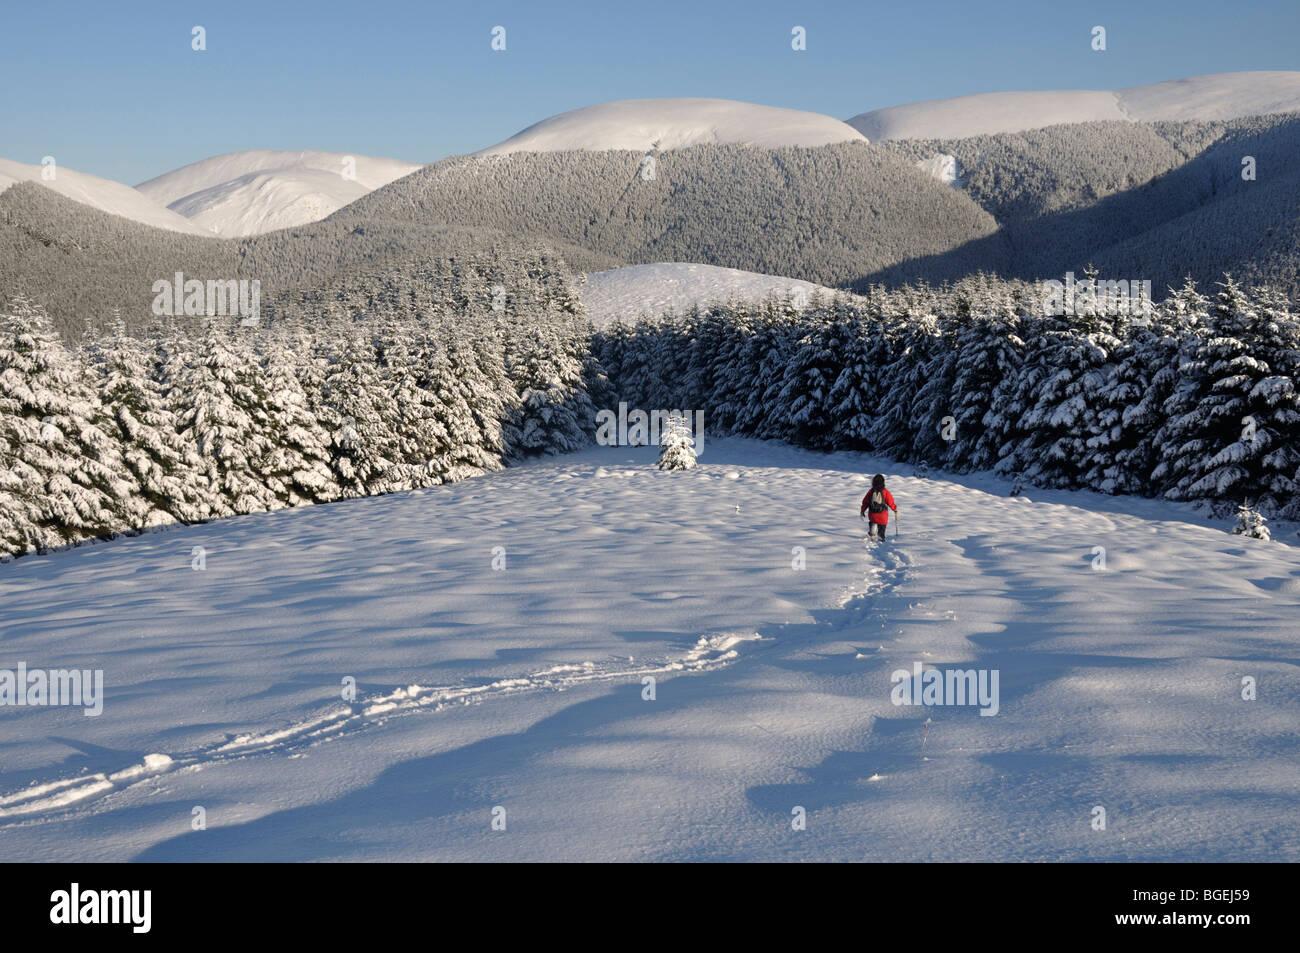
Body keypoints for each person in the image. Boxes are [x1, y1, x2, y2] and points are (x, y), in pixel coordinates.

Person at [860, 473, 897, 541]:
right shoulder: (885, 492)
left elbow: (865, 502)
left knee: (873, 522)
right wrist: (894, 509)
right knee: (882, 529)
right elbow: (890, 502)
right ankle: (881, 538)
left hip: (872, 514)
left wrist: (862, 511)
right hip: (882, 515)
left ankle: (872, 534)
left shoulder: (871, 491)